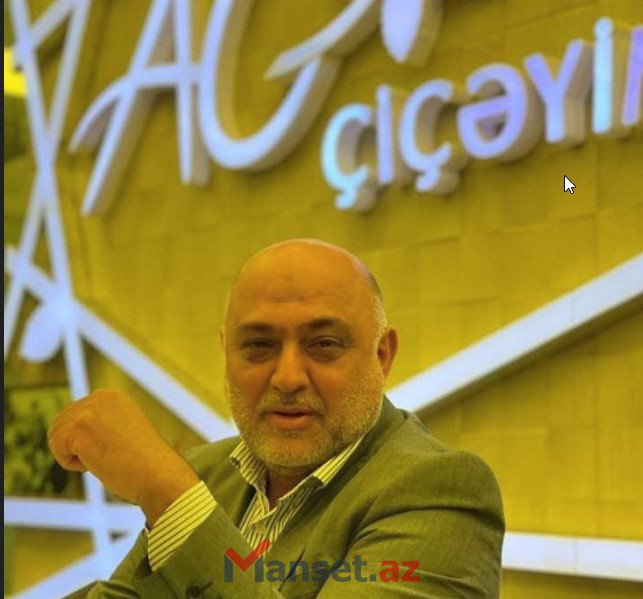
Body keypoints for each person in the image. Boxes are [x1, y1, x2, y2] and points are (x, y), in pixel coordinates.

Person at [49, 239, 504, 598]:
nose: (287, 378)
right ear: (226, 353)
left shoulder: (442, 491)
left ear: (381, 355)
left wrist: (165, 492)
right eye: (258, 346)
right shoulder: (207, 472)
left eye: (324, 344)